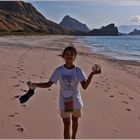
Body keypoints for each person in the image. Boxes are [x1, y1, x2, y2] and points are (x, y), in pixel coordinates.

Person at [30, 45, 101, 139]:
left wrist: (92, 74)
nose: (69, 56)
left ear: (75, 57)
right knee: (67, 124)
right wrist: (35, 85)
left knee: (75, 120)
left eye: (71, 54)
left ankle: (74, 137)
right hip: (65, 101)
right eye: (67, 54)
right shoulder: (59, 70)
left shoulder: (78, 70)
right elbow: (48, 84)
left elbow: (84, 86)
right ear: (63, 56)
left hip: (76, 100)